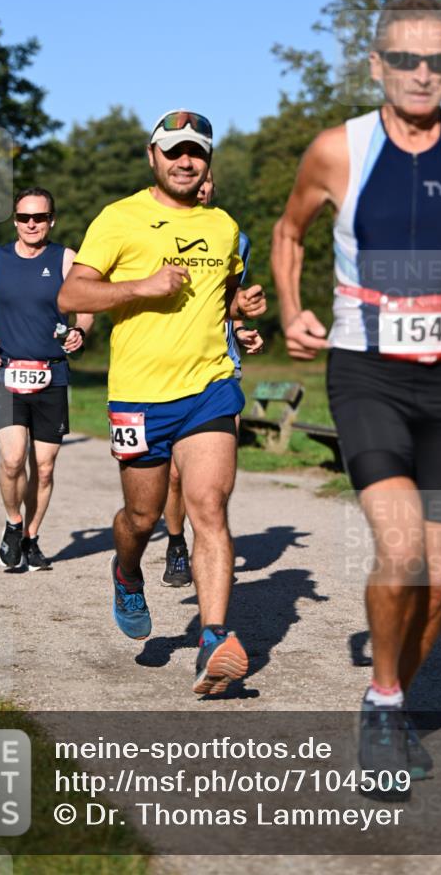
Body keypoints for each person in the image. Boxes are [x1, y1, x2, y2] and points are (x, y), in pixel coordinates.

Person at [271, 0, 441, 780]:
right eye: (405, 60)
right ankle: (384, 705)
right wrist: (291, 307)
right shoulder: (336, 150)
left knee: (438, 577)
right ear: (375, 65)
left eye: (437, 61)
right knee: (401, 548)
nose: (422, 74)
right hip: (367, 371)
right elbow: (288, 232)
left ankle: (388, 701)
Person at [58, 109, 266, 695]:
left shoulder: (223, 226)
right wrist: (140, 287)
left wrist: (243, 316)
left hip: (209, 388)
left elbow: (223, 298)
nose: (185, 161)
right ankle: (127, 572)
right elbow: (71, 294)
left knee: (209, 508)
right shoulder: (119, 217)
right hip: (139, 396)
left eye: (196, 151)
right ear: (153, 156)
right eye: (174, 151)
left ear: (208, 160)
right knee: (142, 518)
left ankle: (214, 639)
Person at [0, 187, 93, 572]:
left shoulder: (66, 258)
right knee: (13, 458)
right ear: (15, 220)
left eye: (39, 217)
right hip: (6, 371)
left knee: (44, 467)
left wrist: (79, 331)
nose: (31, 224)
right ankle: (13, 523)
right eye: (24, 217)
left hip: (52, 372)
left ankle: (31, 538)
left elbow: (86, 307)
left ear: (52, 220)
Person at [162, 169, 263, 587]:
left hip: (221, 366)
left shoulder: (234, 237)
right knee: (173, 475)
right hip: (167, 366)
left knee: (216, 473)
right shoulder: (156, 230)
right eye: (196, 181)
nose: (201, 188)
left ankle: (208, 539)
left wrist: (242, 329)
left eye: (208, 183)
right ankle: (175, 544)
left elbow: (227, 301)